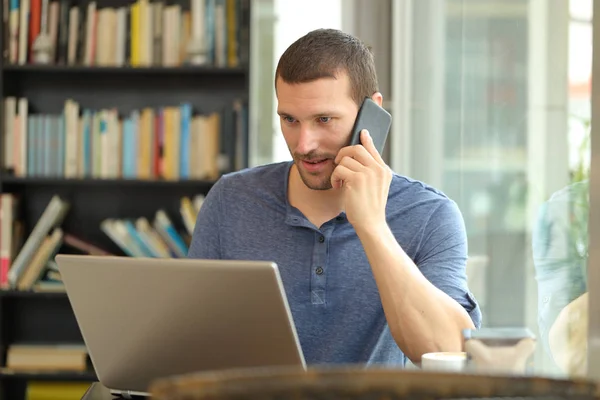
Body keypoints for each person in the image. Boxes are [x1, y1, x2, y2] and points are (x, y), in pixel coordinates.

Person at [188, 28, 481, 367]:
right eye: (290, 120)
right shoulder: (231, 200)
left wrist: (371, 226)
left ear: (371, 111)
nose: (303, 144)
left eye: (323, 119)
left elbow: (452, 351)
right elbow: (193, 340)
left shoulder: (430, 215)